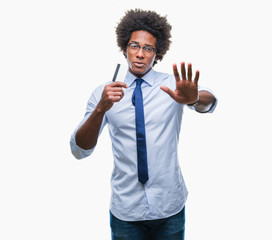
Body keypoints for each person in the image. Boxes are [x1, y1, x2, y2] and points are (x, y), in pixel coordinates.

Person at [70, 9, 217, 240]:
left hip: (169, 206)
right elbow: (79, 150)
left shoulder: (172, 85)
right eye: (134, 46)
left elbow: (211, 101)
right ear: (124, 48)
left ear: (156, 54)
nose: (140, 54)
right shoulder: (104, 93)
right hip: (126, 211)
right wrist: (100, 109)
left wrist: (195, 98)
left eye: (148, 48)